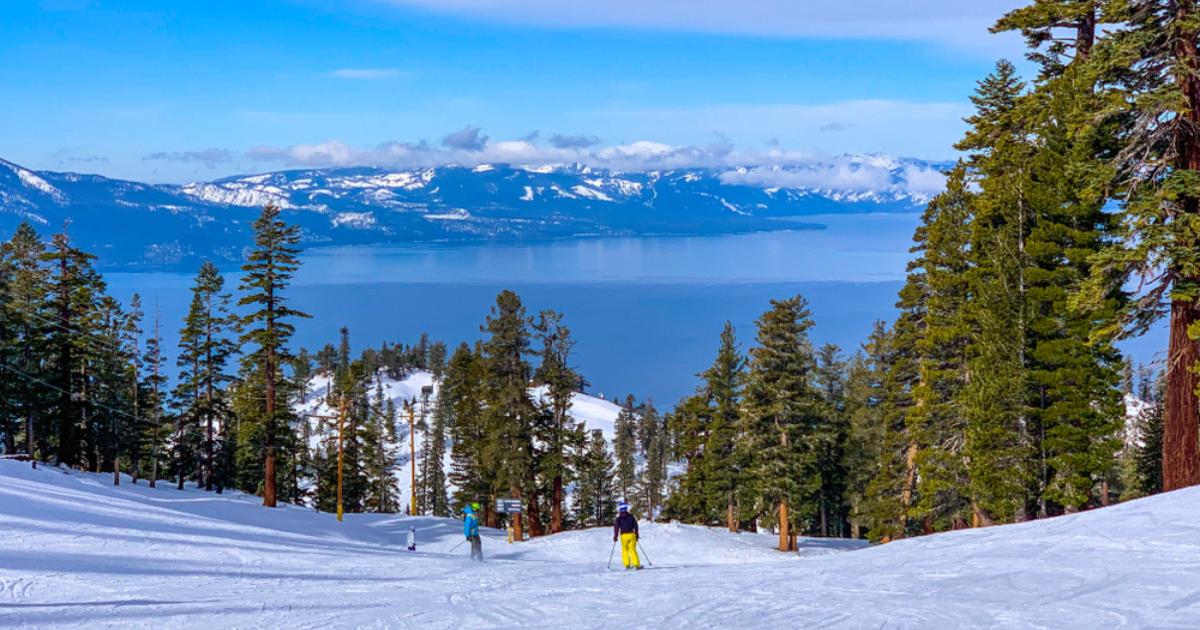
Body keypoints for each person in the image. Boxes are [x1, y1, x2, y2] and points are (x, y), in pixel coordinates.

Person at [613, 502, 641, 570]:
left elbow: (616, 527)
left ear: (620, 509)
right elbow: (636, 525)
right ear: (626, 508)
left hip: (623, 536)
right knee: (632, 549)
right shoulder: (631, 516)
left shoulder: (619, 518)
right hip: (631, 535)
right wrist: (637, 534)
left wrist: (615, 536)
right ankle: (636, 564)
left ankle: (627, 564)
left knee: (625, 550)